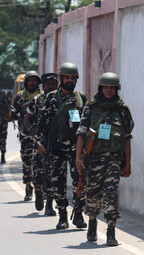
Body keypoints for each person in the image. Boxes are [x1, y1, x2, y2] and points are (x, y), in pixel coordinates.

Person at [76, 72, 134, 246]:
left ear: (117, 89)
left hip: (114, 160)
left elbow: (126, 139)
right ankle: (92, 222)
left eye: (112, 87)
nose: (109, 90)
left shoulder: (123, 111)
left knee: (111, 193)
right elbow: (81, 134)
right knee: (92, 194)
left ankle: (111, 230)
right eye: (106, 87)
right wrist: (78, 159)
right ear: (101, 88)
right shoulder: (90, 108)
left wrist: (128, 164)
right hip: (93, 159)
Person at [36, 62, 87, 230]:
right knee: (57, 183)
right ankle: (63, 215)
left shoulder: (81, 98)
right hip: (56, 149)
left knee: (79, 180)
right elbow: (42, 123)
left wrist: (86, 146)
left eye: (73, 78)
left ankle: (78, 213)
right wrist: (39, 144)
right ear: (61, 79)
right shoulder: (51, 98)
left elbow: (87, 124)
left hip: (76, 150)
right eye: (67, 77)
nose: (70, 80)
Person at [24, 73, 58, 215]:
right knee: (38, 172)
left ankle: (49, 204)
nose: (51, 86)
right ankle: (37, 190)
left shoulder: (60, 100)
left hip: (56, 142)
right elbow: (27, 118)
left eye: (53, 84)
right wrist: (32, 131)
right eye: (48, 84)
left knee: (52, 173)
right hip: (39, 142)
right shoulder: (37, 100)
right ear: (43, 86)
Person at [11, 71, 43, 201]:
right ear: (26, 82)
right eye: (30, 81)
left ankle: (39, 188)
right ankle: (28, 187)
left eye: (34, 81)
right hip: (25, 134)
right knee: (26, 162)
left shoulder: (42, 96)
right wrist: (24, 116)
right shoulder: (19, 97)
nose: (32, 83)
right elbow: (13, 114)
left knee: (40, 162)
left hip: (39, 135)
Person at [0, 89, 10, 163]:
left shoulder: (3, 94)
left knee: (3, 138)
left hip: (3, 120)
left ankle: (3, 154)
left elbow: (7, 106)